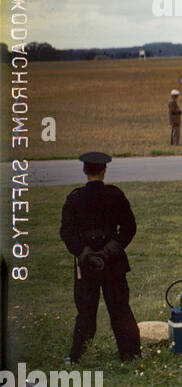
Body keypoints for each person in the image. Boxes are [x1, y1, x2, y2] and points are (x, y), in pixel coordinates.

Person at [58, 152, 141, 364]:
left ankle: (77, 357)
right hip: (113, 263)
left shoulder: (75, 198)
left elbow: (67, 232)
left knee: (86, 312)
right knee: (120, 309)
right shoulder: (115, 195)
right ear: (104, 170)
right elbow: (129, 228)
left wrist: (85, 253)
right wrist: (108, 251)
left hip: (86, 266)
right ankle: (131, 356)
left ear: (85, 170)